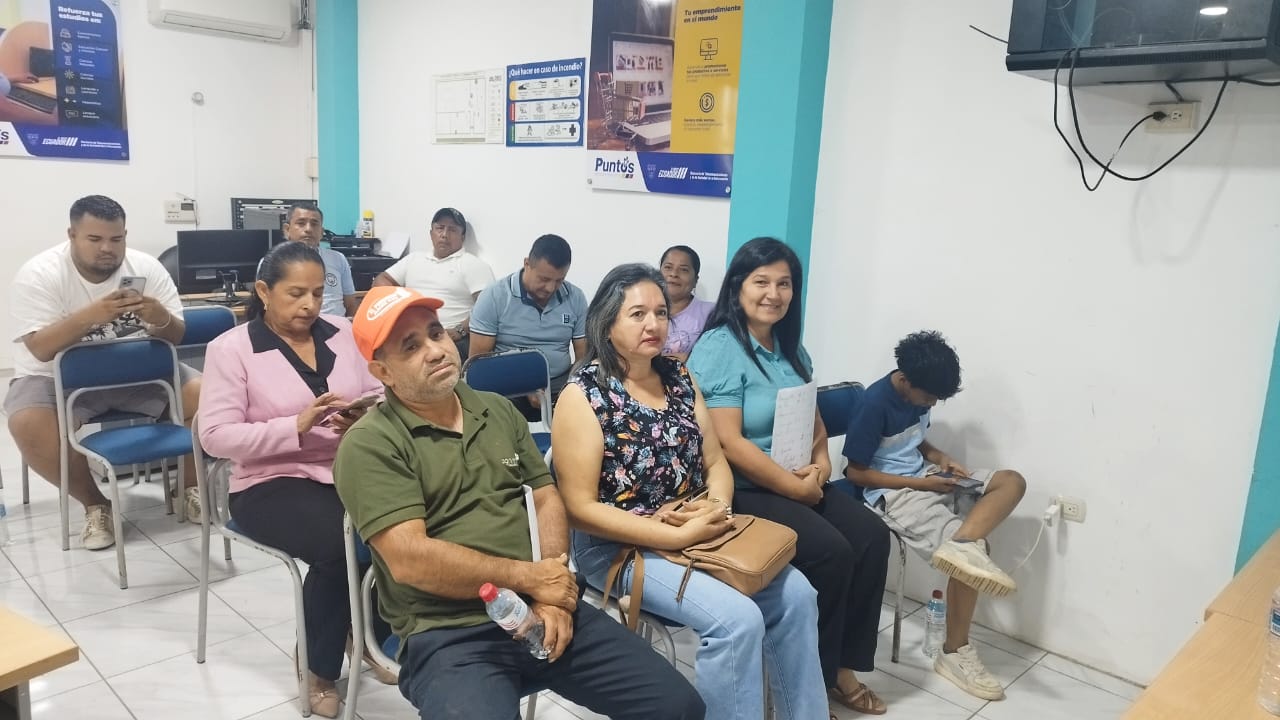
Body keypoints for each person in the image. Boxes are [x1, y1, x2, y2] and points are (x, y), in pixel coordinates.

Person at [333, 285, 705, 720]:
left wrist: (552, 597)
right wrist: (532, 578)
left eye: (436, 333)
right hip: (450, 632)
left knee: (679, 707)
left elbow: (546, 497)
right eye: (410, 347)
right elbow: (410, 559)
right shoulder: (371, 443)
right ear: (382, 371)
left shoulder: (496, 410)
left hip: (537, 604)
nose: (435, 351)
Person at [554, 263, 830, 720]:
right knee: (737, 622)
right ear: (606, 322)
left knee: (798, 596)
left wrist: (715, 507)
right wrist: (674, 535)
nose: (653, 324)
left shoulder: (678, 377)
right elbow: (579, 509)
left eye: (661, 313)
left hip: (696, 526)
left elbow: (716, 461)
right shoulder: (584, 395)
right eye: (637, 314)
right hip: (619, 547)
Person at [687, 237, 891, 716]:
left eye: (784, 284)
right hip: (743, 488)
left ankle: (842, 669)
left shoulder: (789, 346)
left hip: (798, 480)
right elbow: (728, 442)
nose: (773, 294)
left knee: (871, 536)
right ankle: (808, 688)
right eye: (761, 282)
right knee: (832, 553)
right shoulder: (719, 347)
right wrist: (796, 488)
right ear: (738, 286)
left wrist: (821, 467)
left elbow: (812, 420)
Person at [197, 242, 393, 718]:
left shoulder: (343, 333)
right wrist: (295, 426)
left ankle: (367, 635)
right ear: (264, 292)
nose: (309, 305)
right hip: (268, 480)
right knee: (339, 548)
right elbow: (215, 436)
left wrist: (365, 414)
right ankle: (317, 667)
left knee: (395, 526)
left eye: (317, 293)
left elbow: (380, 390)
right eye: (295, 294)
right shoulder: (232, 349)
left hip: (344, 469)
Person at [837, 330, 1027, 701]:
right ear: (906, 381)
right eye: (929, 398)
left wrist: (942, 459)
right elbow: (856, 473)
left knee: (1012, 482)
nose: (932, 405)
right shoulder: (873, 404)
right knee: (974, 559)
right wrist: (922, 485)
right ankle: (954, 652)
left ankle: (962, 544)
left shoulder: (918, 393)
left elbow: (915, 440)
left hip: (926, 477)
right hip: (894, 494)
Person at [6, 195, 202, 550]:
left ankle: (188, 487)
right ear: (72, 235)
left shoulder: (145, 267)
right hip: (55, 377)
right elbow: (40, 348)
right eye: (94, 239)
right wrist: (91, 317)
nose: (107, 248)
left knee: (208, 396)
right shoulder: (40, 274)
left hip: (137, 372)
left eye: (116, 239)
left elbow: (176, 336)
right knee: (27, 422)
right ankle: (96, 505)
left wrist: (159, 318)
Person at [468, 233, 587, 420]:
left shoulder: (575, 297)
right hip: (507, 385)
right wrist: (524, 384)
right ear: (527, 264)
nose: (550, 288)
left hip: (558, 383)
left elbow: (583, 358)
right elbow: (478, 364)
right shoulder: (495, 296)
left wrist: (573, 388)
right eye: (544, 279)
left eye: (559, 280)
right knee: (496, 415)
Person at [372, 207, 494, 359]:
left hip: (449, 338)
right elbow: (381, 280)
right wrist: (398, 306)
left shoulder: (473, 265)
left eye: (452, 230)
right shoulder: (414, 259)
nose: (444, 235)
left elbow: (489, 308)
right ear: (431, 233)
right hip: (409, 334)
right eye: (440, 228)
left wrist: (460, 330)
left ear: (462, 237)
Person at [278, 202, 358, 317]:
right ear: (287, 229)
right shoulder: (274, 262)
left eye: (314, 224)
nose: (308, 229)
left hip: (336, 325)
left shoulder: (338, 259)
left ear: (321, 232)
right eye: (301, 223)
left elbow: (350, 304)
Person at [658, 245, 714, 360]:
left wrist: (690, 359)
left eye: (684, 270)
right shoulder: (642, 311)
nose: (674, 274)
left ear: (695, 280)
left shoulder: (712, 313)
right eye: (668, 267)